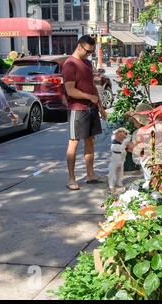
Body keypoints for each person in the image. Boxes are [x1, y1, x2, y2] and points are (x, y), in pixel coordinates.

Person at [62, 35, 107, 191]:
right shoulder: (69, 64)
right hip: (77, 109)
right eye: (88, 51)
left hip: (91, 109)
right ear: (80, 46)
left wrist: (100, 107)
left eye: (91, 52)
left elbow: (93, 87)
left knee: (90, 141)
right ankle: (71, 178)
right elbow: (70, 90)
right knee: (73, 142)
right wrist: (89, 97)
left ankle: (90, 175)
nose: (89, 54)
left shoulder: (87, 63)